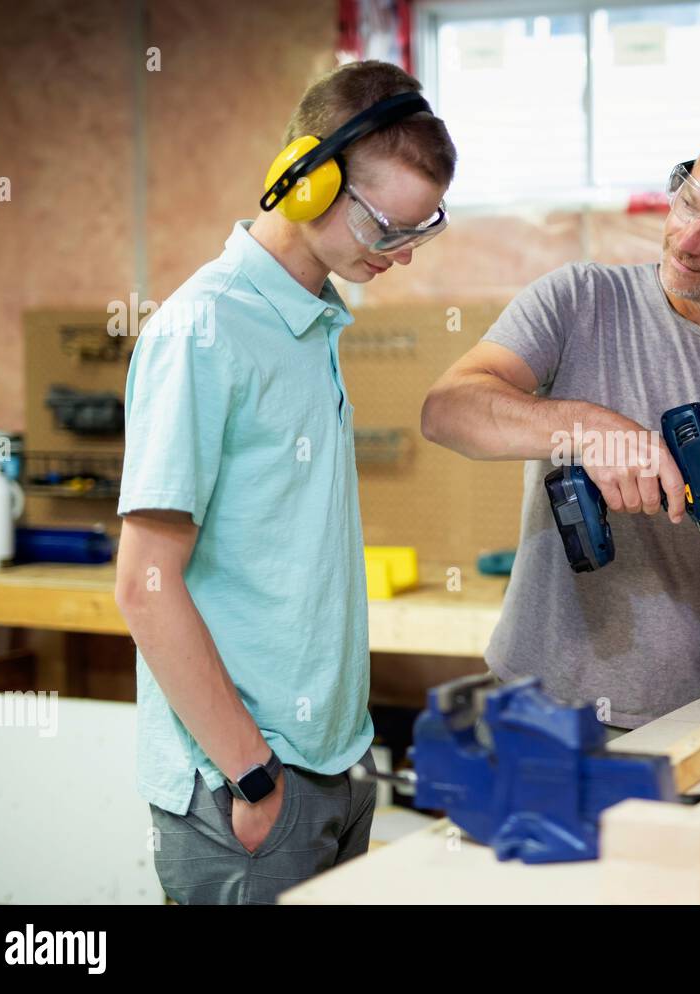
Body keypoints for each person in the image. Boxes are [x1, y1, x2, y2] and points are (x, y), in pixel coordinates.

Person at [114, 60, 455, 904]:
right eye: (385, 227)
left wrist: (345, 760)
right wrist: (253, 775)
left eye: (421, 230)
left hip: (335, 764)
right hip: (248, 790)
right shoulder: (205, 328)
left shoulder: (310, 322)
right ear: (305, 182)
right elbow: (144, 583)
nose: (402, 256)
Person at [421, 111, 700, 732]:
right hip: (534, 710)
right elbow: (447, 410)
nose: (685, 238)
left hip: (697, 720)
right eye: (688, 199)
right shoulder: (578, 301)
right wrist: (587, 427)